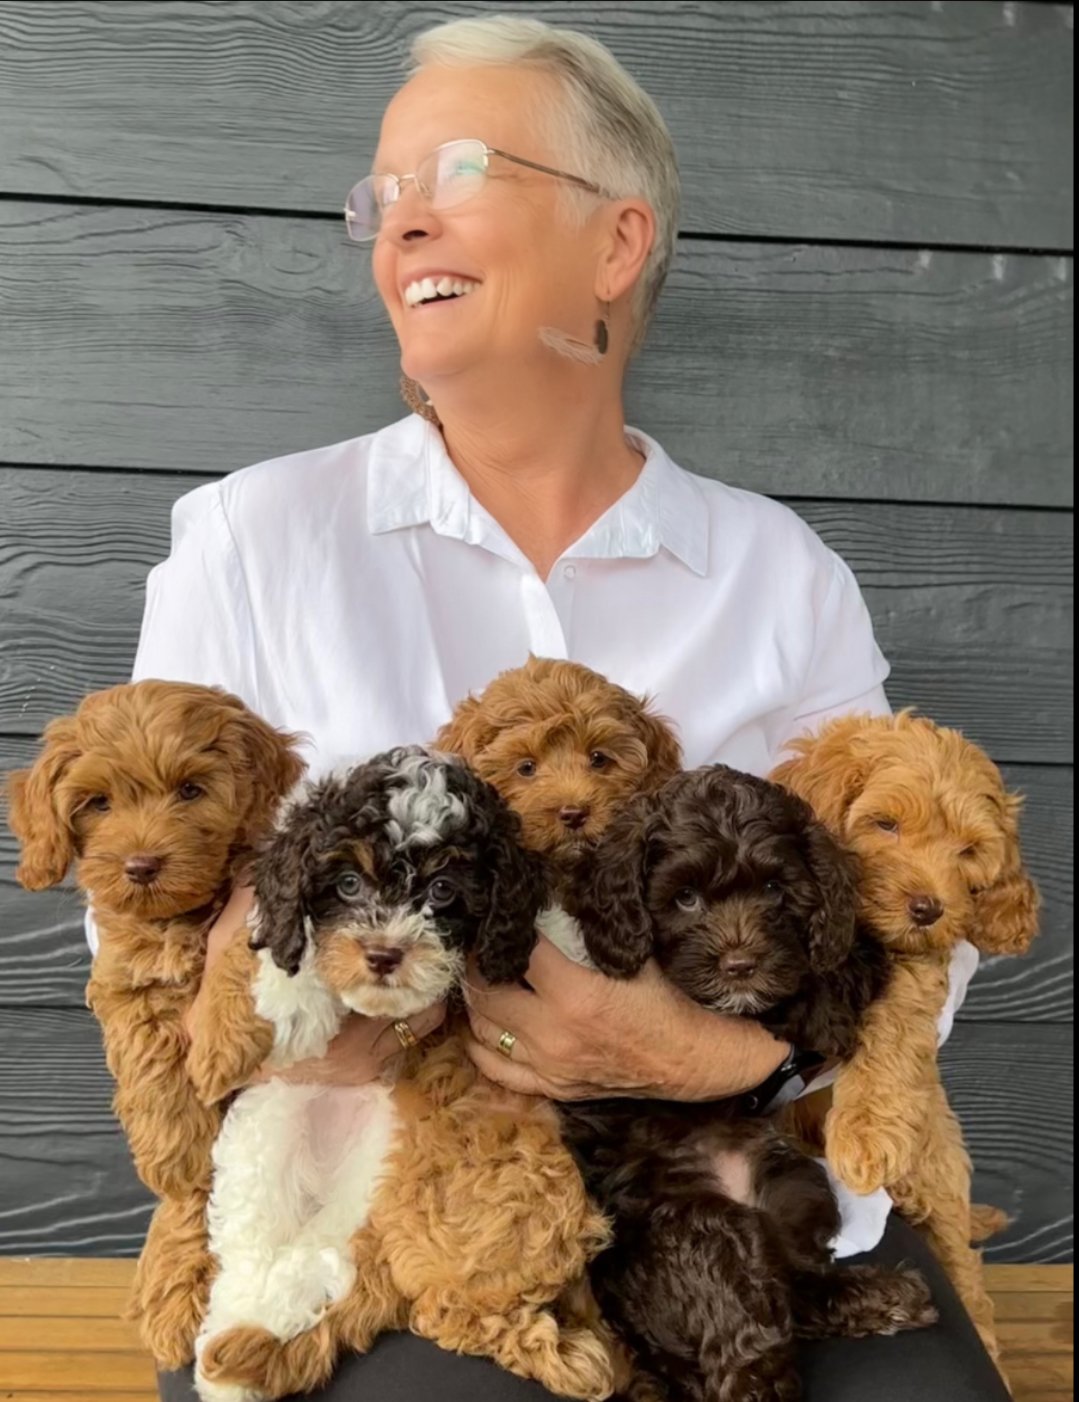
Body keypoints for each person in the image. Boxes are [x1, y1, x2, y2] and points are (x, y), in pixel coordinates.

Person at [102, 15, 1004, 1401]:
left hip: (735, 1203)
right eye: (383, 195)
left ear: (617, 244)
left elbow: (909, 912)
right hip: (369, 1230)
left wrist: (714, 1051)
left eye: (456, 170)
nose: (400, 224)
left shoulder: (778, 574)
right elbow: (144, 940)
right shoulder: (251, 540)